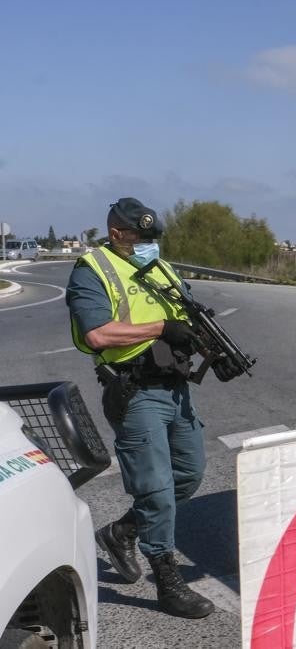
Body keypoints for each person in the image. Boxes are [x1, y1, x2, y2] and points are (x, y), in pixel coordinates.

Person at [65, 198, 215, 619]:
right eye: (141, 238)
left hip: (175, 389)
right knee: (157, 491)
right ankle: (168, 583)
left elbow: (186, 313)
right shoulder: (92, 269)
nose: (150, 244)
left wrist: (204, 340)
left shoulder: (161, 267)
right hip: (135, 392)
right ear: (116, 234)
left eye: (154, 238)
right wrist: (162, 328)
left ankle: (121, 531)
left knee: (190, 473)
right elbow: (96, 334)